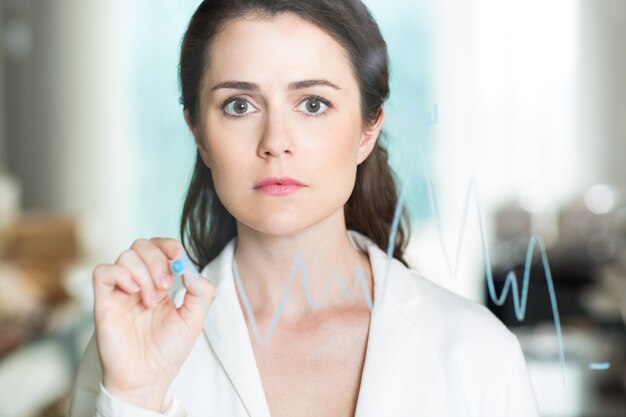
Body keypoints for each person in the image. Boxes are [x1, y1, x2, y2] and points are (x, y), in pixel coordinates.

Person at [69, 1, 540, 416]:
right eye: (238, 106)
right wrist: (135, 396)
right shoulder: (128, 350)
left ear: (367, 129)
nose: (276, 143)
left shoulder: (479, 352)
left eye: (313, 104)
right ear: (198, 132)